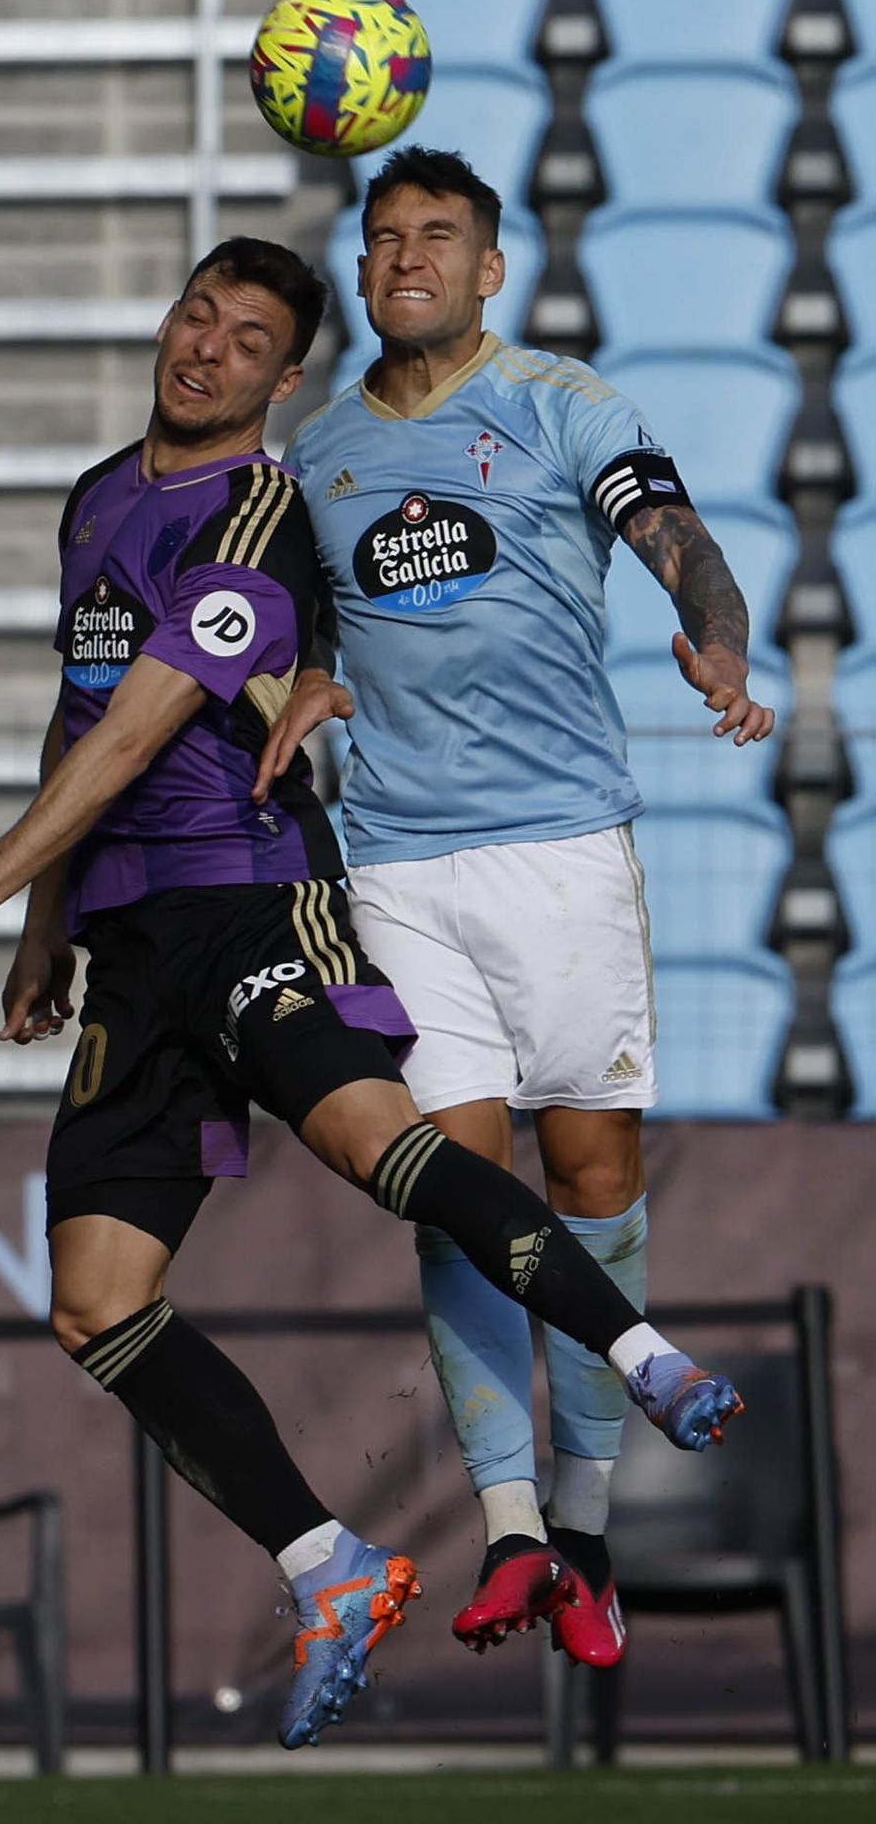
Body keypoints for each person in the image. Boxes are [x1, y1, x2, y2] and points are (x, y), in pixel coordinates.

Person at [0, 236, 744, 1749]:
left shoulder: (260, 511)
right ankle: (332, 1564)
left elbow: (140, 732)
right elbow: (76, 717)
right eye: (199, 314)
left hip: (256, 898)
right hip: (129, 945)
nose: (206, 348)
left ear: (283, 381)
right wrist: (44, 925)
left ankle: (645, 1357)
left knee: (390, 1154)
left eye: (247, 339)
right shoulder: (95, 498)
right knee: (94, 1305)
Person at [262, 146, 765, 1669]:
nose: (407, 256)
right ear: (360, 273)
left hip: (561, 848)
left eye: (441, 237)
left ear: (491, 270)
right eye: (385, 237)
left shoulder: (562, 406)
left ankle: (589, 1529)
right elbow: (294, 631)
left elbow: (681, 542)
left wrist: (719, 643)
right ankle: (511, 1535)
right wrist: (305, 675)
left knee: (592, 1174)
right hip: (401, 862)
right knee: (452, 1191)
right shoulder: (325, 452)